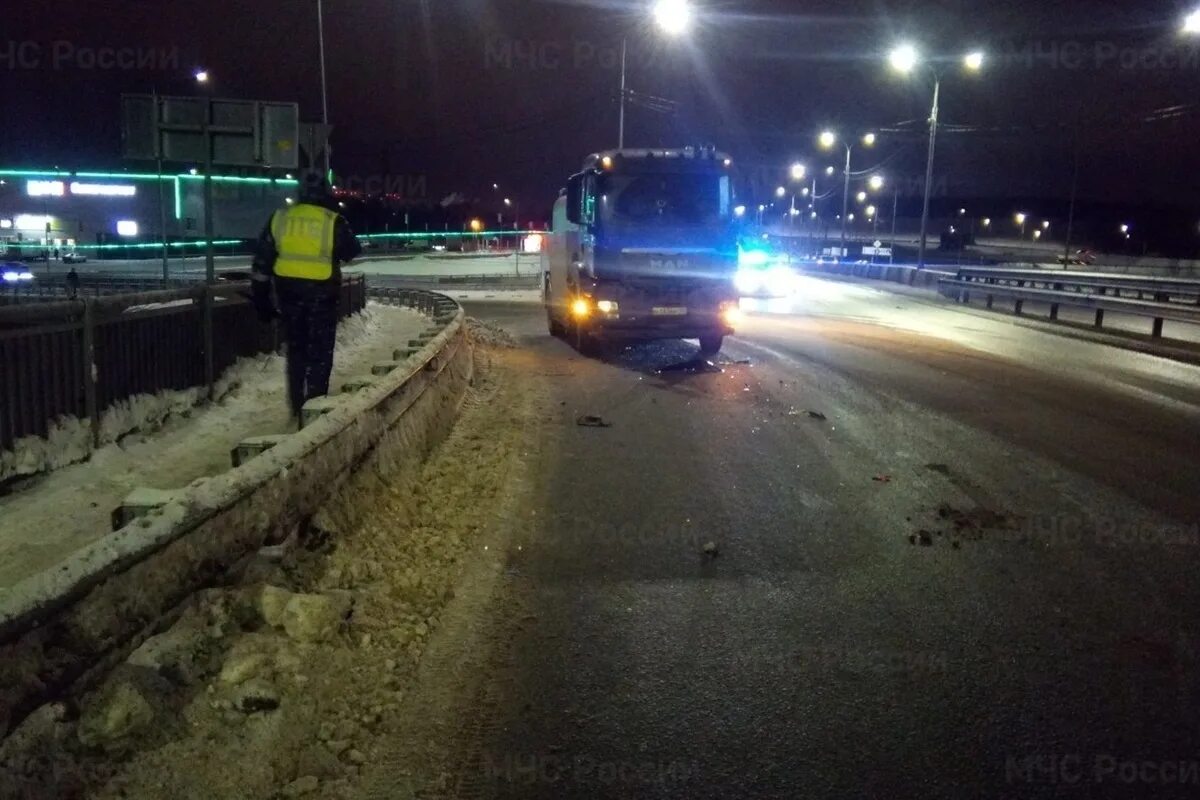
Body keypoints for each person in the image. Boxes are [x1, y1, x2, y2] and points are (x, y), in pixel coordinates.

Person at [252, 174, 362, 421]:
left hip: (288, 295)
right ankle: (314, 408)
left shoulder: (280, 219)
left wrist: (261, 299)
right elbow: (352, 251)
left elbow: (261, 262)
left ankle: (296, 407)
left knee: (297, 350)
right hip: (322, 294)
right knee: (320, 352)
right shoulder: (332, 221)